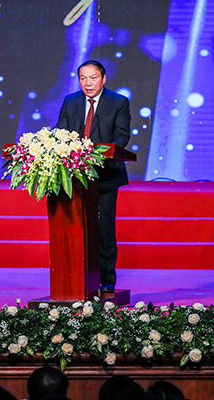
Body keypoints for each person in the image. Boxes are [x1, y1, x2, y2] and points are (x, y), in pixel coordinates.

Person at [56, 59, 131, 294]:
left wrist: (99, 155)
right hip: (75, 176)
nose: (88, 83)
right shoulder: (70, 101)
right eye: (83, 78)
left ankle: (107, 281)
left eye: (93, 78)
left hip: (106, 175)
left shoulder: (118, 102)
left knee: (104, 229)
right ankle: (76, 280)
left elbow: (122, 136)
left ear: (103, 79)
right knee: (75, 231)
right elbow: (60, 132)